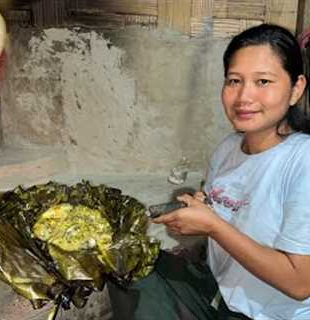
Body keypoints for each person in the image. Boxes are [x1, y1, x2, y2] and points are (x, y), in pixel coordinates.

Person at [108, 23, 310, 320]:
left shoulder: (302, 161)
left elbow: (299, 284)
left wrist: (213, 226)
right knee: (122, 259)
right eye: (234, 81)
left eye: (263, 82)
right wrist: (202, 209)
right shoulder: (229, 147)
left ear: (296, 89)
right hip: (218, 291)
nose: (244, 97)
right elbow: (226, 210)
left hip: (269, 315)